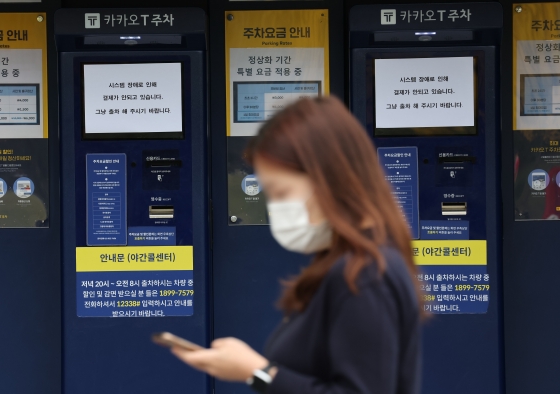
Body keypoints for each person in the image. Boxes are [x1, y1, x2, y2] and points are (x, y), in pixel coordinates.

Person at [172, 96, 422, 393]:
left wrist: (258, 371)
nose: (275, 207)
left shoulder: (363, 275)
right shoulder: (353, 264)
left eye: (281, 192)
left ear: (329, 178)